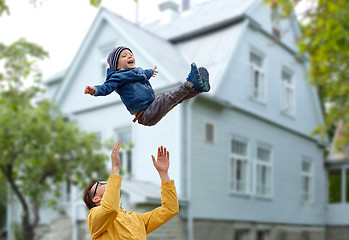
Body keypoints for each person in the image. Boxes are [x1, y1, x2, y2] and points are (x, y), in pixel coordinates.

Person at [84, 46, 210, 126]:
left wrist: (151, 71)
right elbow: (106, 88)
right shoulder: (117, 77)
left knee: (175, 99)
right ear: (117, 66)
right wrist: (94, 90)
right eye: (124, 56)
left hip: (151, 107)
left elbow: (145, 73)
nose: (130, 56)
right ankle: (190, 82)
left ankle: (197, 88)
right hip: (145, 114)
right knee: (167, 97)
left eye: (131, 54)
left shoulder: (138, 71)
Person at [83, 140, 179, 240]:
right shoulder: (93, 218)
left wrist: (164, 174)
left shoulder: (137, 219)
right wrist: (115, 169)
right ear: (96, 198)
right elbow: (110, 208)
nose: (108, 182)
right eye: (101, 183)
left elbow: (170, 209)